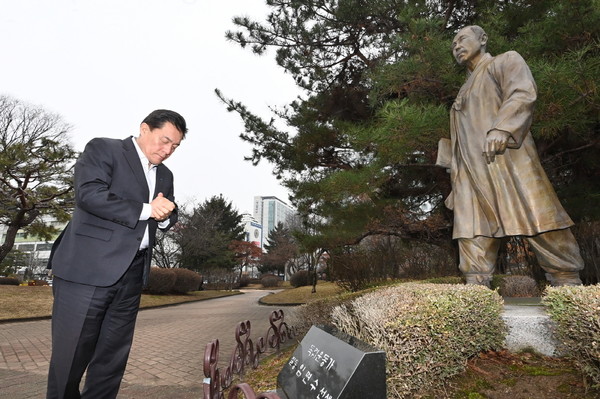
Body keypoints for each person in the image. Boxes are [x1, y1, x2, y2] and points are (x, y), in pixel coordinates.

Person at [46, 109, 187, 398]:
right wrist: (148, 210)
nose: (168, 150)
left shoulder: (165, 174)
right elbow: (89, 195)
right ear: (144, 128)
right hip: (86, 271)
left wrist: (166, 216)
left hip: (132, 274)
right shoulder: (105, 149)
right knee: (70, 357)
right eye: (164, 140)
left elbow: (167, 210)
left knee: (112, 359)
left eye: (175, 146)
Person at [444, 25, 583, 286]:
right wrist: (454, 168)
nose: (457, 47)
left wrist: (502, 128)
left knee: (538, 214)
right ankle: (476, 295)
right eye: (453, 45)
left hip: (507, 159)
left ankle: (568, 284)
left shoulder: (505, 61)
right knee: (473, 229)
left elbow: (522, 92)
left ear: (483, 39)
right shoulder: (464, 89)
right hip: (471, 172)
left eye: (462, 39)